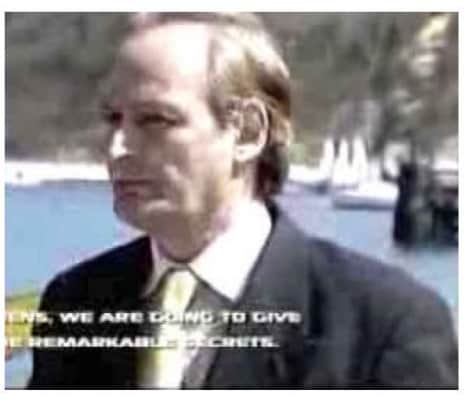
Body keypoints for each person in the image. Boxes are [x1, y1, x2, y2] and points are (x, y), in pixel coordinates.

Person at [28, 13, 457, 389]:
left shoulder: (384, 327)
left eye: (155, 120)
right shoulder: (74, 301)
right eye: (113, 119)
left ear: (248, 132)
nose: (117, 148)